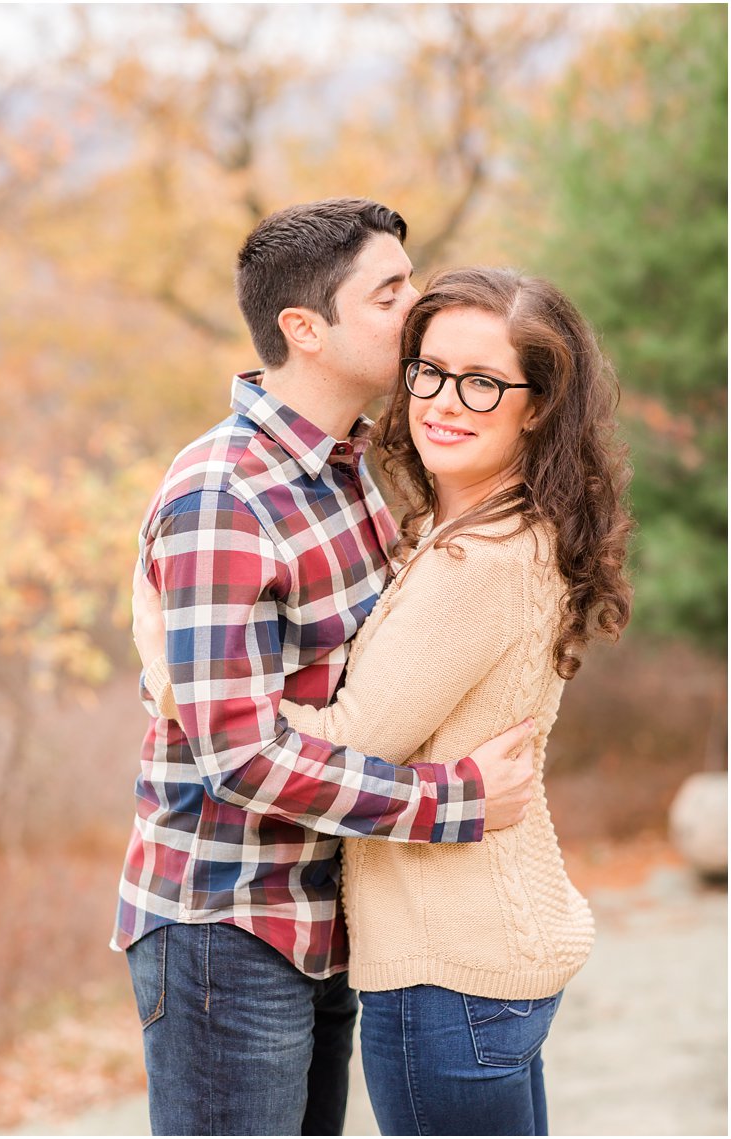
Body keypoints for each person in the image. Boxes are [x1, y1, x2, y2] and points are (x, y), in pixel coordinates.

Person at [137, 266, 632, 1134]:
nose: (444, 401)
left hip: (450, 955)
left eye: (482, 383)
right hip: (474, 948)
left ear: (540, 404)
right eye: (430, 371)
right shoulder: (452, 522)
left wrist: (183, 685)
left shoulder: (475, 559)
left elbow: (346, 736)